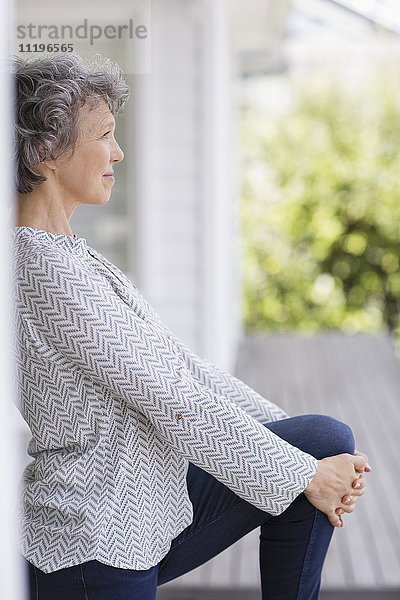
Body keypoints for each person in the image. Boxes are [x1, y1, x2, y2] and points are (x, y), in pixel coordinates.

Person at [12, 52, 371, 600]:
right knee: (311, 463)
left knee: (323, 440)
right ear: (44, 153)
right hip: (94, 541)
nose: (118, 152)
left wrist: (303, 461)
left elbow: (183, 369)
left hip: (149, 510)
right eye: (104, 135)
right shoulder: (37, 267)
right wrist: (301, 476)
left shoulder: (73, 256)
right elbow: (168, 397)